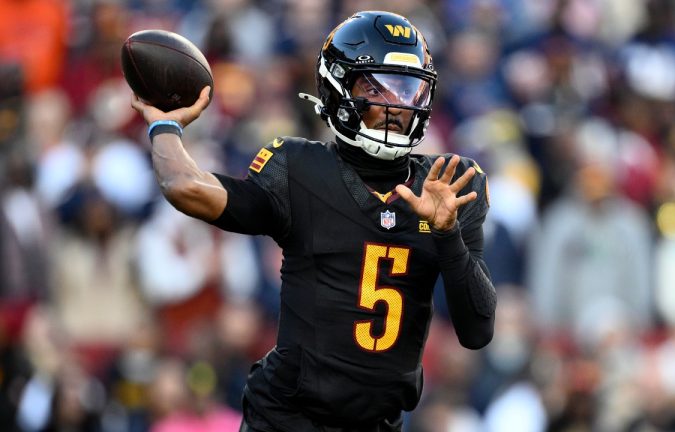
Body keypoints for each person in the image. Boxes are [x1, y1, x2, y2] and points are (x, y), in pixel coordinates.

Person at [130, 10, 496, 432]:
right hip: (287, 419)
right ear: (338, 88)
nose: (395, 107)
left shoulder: (448, 185)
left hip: (378, 424)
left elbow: (477, 331)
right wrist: (164, 126)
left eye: (408, 91)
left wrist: (447, 234)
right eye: (377, 88)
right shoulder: (299, 168)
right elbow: (186, 187)